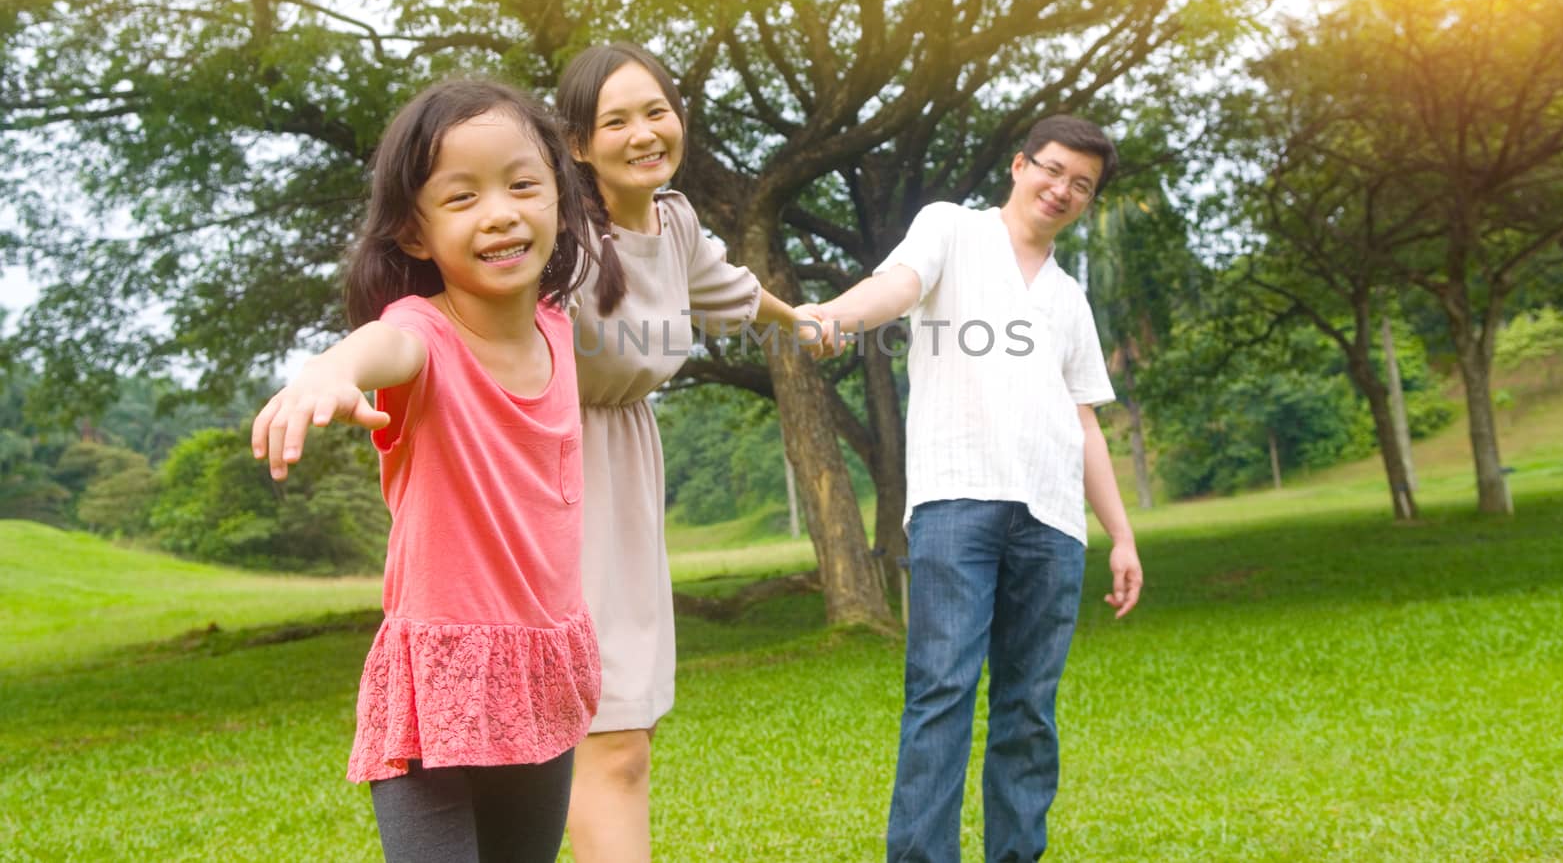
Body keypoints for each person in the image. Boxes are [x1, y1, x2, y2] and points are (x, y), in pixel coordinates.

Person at [251, 80, 600, 863]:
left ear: (559, 199)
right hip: (437, 689)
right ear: (415, 232)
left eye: (522, 184)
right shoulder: (424, 335)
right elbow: (382, 346)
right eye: (462, 196)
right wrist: (325, 371)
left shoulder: (557, 329)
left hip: (540, 673)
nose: (500, 212)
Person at [802, 114, 1145, 863]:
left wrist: (1120, 534)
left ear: (1088, 201)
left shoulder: (1068, 299)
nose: (1062, 189)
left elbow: (1083, 420)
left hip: (1052, 523)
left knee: (1028, 711)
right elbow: (897, 285)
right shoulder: (952, 229)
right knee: (942, 694)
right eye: (1053, 170)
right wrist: (835, 315)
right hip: (957, 502)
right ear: (1020, 166)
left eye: (1081, 185)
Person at [553, 42, 811, 862]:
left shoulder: (675, 219)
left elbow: (728, 287)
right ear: (576, 146)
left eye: (656, 111)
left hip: (626, 470)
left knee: (626, 728)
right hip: (551, 474)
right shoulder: (561, 239)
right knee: (603, 731)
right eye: (615, 120)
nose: (643, 133)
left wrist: (800, 320)